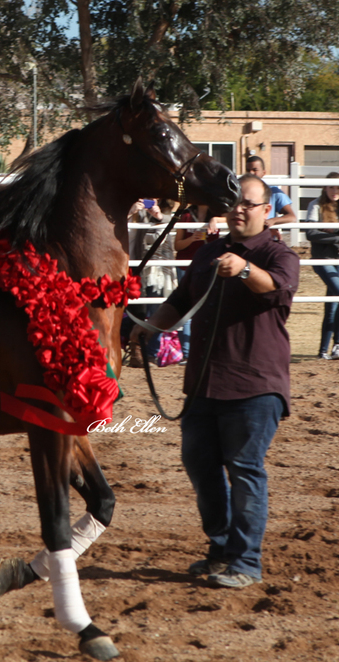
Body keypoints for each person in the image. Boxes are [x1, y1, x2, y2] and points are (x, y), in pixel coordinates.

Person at [130, 174, 299, 589]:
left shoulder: (279, 255)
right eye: (234, 202)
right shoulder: (207, 254)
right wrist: (148, 327)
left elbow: (276, 290)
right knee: (201, 466)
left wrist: (243, 270)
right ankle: (221, 547)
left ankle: (246, 561)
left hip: (255, 385)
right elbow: (179, 302)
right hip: (204, 383)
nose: (239, 209)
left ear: (266, 211)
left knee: (244, 470)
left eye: (249, 203)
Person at [304, 173, 339, 360]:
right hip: (323, 259)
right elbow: (311, 233)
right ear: (325, 188)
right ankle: (337, 344)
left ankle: (323, 350)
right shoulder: (316, 205)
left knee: (333, 303)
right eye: (331, 187)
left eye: (338, 188)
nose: (335, 191)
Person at [124, 198, 177, 366]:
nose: (149, 201)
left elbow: (172, 230)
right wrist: (130, 212)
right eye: (146, 197)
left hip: (151, 271)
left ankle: (148, 353)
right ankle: (134, 348)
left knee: (153, 310)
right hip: (127, 266)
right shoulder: (130, 212)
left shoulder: (162, 214)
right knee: (132, 309)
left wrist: (158, 217)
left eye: (153, 198)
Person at [173, 206, 220, 360]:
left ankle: (203, 350)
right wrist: (191, 239)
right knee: (188, 307)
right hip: (186, 265)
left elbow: (232, 216)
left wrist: (216, 220)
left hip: (208, 265)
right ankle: (188, 353)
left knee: (208, 306)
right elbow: (177, 245)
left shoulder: (217, 212)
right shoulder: (185, 214)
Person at [245, 156, 297, 228]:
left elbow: (292, 217)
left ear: (263, 172)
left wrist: (273, 221)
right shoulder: (241, 192)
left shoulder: (274, 192)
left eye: (255, 170)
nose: (251, 173)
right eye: (248, 170)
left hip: (265, 234)